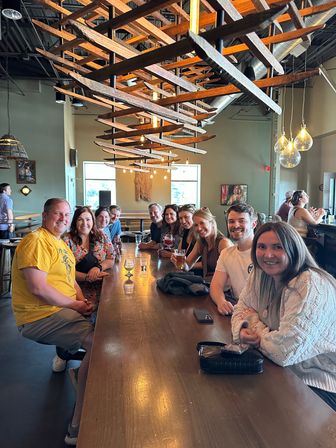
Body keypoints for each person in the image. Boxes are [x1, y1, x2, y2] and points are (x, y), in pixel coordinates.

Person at [11, 198, 94, 445]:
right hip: (38, 315)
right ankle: (79, 421)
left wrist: (83, 303)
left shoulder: (60, 244)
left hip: (58, 310)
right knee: (98, 343)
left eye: (66, 214)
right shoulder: (36, 241)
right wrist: (75, 305)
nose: (63, 218)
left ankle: (85, 374)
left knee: (104, 328)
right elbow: (38, 289)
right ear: (45, 215)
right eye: (57, 214)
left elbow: (71, 281)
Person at [231, 222, 336, 411]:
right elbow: (241, 309)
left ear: (293, 248)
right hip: (281, 370)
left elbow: (284, 352)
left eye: (277, 247)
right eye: (261, 247)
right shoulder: (261, 273)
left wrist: (253, 322)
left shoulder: (309, 284)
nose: (267, 255)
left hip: (321, 383)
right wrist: (242, 328)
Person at [63, 206, 114, 310]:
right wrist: (87, 277)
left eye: (88, 219)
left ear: (93, 221)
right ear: (75, 222)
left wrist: (98, 268)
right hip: (77, 289)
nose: (84, 223)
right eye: (80, 219)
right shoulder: (67, 240)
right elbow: (64, 271)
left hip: (103, 286)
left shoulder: (101, 236)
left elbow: (111, 258)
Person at [210, 203, 256, 315]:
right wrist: (221, 302)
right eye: (231, 221)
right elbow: (216, 285)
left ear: (253, 224)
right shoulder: (226, 254)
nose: (235, 225)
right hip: (239, 313)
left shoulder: (264, 253)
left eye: (242, 221)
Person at [172, 207, 232, 278]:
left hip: (222, 287)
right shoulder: (201, 242)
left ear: (212, 223)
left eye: (202, 223)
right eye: (196, 225)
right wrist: (179, 263)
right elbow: (187, 266)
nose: (199, 228)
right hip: (206, 284)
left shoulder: (223, 243)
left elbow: (232, 273)